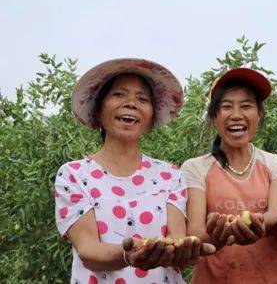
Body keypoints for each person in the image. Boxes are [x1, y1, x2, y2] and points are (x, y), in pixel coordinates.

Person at [55, 58, 213, 284]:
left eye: (142, 99)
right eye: (119, 95)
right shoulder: (74, 175)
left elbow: (176, 239)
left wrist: (185, 251)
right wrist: (131, 255)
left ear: (150, 118)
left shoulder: (170, 175)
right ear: (99, 109)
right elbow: (88, 250)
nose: (131, 103)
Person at [181, 68, 277, 283]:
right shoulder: (195, 168)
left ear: (259, 114)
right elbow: (195, 232)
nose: (236, 115)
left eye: (246, 106)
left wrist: (246, 225)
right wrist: (221, 234)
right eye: (226, 106)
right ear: (214, 116)